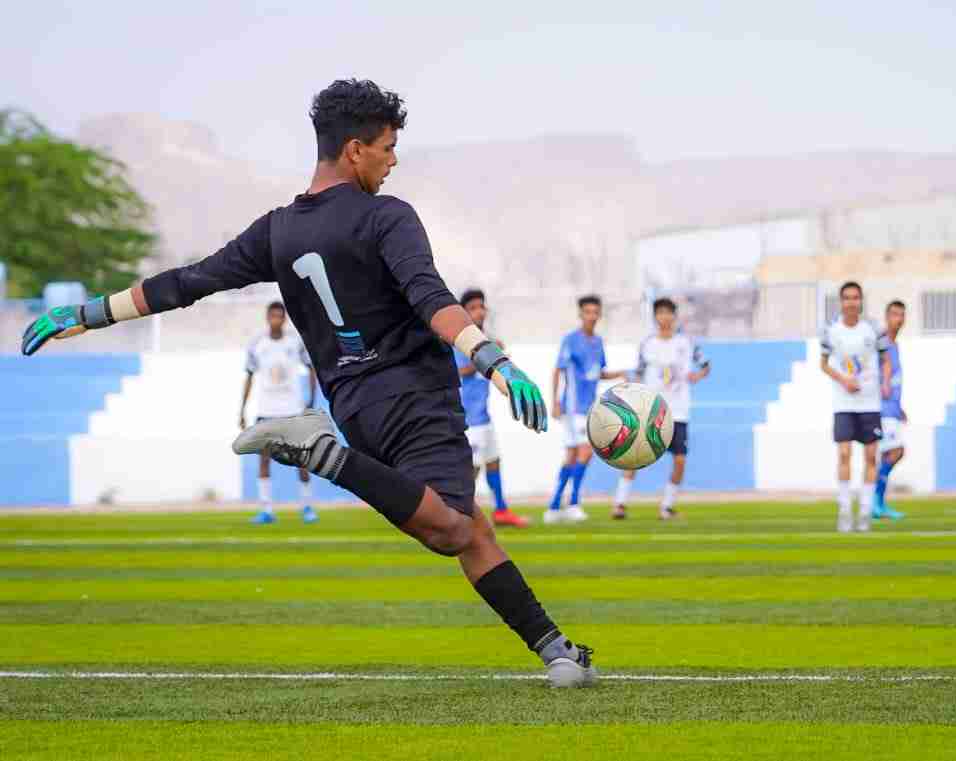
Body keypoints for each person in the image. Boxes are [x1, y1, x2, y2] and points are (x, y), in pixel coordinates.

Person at [20, 79, 594, 687]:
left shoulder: (277, 231)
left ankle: (556, 649)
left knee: (471, 529)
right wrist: (494, 360)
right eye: (388, 148)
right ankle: (322, 455)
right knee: (451, 527)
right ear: (355, 149)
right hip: (416, 396)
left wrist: (88, 312)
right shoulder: (387, 216)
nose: (393, 161)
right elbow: (430, 296)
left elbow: (188, 282)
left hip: (355, 407)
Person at [611, 298, 710, 521]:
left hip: (679, 411)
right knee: (635, 457)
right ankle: (620, 504)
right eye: (660, 313)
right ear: (655, 317)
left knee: (680, 460)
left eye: (668, 313)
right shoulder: (648, 344)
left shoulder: (686, 343)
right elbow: (638, 372)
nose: (664, 317)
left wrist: (698, 375)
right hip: (652, 409)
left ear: (674, 316)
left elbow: (706, 364)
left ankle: (667, 507)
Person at [818, 281, 891, 533]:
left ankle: (865, 511)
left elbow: (885, 359)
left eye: (855, 297)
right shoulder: (830, 330)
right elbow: (823, 364)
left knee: (871, 456)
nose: (851, 302)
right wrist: (843, 380)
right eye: (847, 298)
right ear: (841, 302)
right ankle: (845, 510)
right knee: (844, 453)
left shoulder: (874, 328)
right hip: (843, 402)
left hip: (870, 402)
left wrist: (885, 382)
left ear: (861, 300)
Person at [547, 295, 625, 524]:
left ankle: (554, 506)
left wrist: (621, 374)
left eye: (595, 312)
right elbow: (558, 370)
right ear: (580, 314)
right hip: (573, 408)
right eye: (588, 312)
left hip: (589, 408)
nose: (592, 316)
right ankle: (573, 503)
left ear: (599, 315)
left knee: (572, 456)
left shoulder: (598, 342)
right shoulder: (571, 340)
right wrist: (555, 401)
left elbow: (597, 373)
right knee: (586, 452)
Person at [239, 301, 319, 525]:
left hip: (292, 410)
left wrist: (310, 401)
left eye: (280, 316)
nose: (276, 320)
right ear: (267, 318)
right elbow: (249, 376)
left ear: (284, 319)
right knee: (264, 460)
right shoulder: (257, 343)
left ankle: (307, 507)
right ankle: (266, 510)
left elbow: (311, 368)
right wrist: (242, 410)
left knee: (301, 460)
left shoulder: (295, 342)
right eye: (273, 316)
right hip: (266, 411)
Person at [453, 289, 526, 527]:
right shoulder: (461, 341)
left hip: (483, 416)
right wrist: (489, 356)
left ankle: (501, 510)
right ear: (464, 312)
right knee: (471, 469)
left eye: (481, 306)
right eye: (473, 308)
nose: (479, 312)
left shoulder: (484, 341)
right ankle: (459, 514)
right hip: (468, 418)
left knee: (493, 461)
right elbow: (461, 372)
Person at [873, 300, 906, 521]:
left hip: (892, 409)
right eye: (895, 314)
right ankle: (875, 500)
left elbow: (894, 379)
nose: (899, 319)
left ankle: (879, 504)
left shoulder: (895, 345)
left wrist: (899, 407)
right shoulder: (882, 342)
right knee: (896, 452)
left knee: (888, 454)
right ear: (887, 316)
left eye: (902, 315)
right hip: (882, 410)